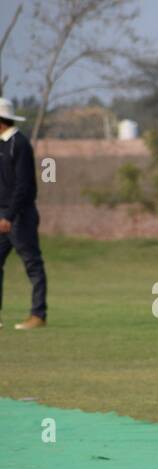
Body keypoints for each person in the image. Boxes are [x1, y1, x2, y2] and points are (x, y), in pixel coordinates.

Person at [0, 98, 46, 331]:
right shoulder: (1, 144)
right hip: (3, 215)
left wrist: (8, 215)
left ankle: (38, 315)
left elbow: (24, 186)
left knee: (32, 263)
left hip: (19, 216)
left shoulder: (20, 144)